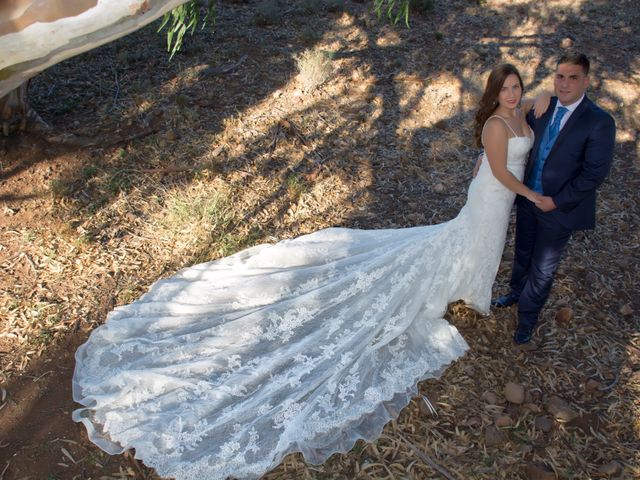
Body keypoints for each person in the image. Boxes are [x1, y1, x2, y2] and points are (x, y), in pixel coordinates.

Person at [72, 64, 545, 480]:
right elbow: (501, 172)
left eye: (517, 86)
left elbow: (524, 128)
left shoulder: (522, 112)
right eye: (505, 88)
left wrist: (541, 101)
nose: (512, 93)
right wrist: (533, 196)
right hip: (496, 196)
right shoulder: (497, 126)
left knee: (475, 244)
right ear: (493, 92)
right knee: (464, 241)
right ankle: (452, 286)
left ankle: (463, 285)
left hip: (494, 202)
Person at [492, 53, 616, 345]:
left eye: (573, 77)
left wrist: (556, 202)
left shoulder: (599, 122)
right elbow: (505, 123)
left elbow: (593, 175)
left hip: (559, 209)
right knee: (522, 250)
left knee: (543, 267)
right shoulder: (543, 107)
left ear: (586, 80)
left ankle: (527, 317)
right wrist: (486, 154)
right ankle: (514, 292)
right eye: (560, 76)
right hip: (528, 199)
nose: (565, 83)